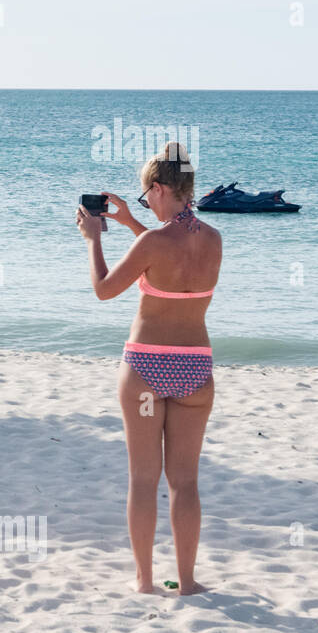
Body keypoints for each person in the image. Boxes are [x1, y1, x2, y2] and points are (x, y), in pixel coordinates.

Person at [76, 142, 221, 596]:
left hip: (146, 367)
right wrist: (130, 223)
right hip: (195, 369)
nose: (146, 202)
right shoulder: (213, 238)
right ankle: (189, 582)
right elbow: (167, 260)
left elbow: (104, 289)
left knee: (143, 478)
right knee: (185, 481)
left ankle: (144, 581)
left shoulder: (152, 242)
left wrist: (95, 237)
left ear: (158, 188)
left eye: (145, 195)